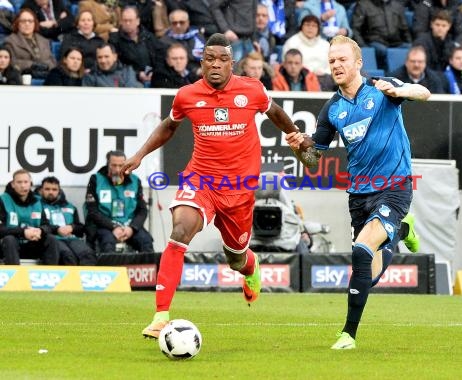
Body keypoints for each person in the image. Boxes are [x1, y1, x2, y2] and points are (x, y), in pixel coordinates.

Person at [120, 33, 312, 339]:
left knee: (236, 258)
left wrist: (299, 139)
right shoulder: (187, 95)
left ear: (231, 63)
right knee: (180, 230)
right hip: (201, 179)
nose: (216, 64)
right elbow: (169, 126)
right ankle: (160, 316)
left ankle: (251, 268)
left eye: (222, 59)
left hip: (239, 189)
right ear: (201, 62)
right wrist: (140, 154)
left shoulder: (251, 90)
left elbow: (276, 113)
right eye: (210, 58)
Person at [285, 35, 427, 349]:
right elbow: (313, 160)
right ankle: (402, 231)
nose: (336, 65)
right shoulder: (332, 110)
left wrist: (400, 90)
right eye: (332, 61)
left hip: (394, 187)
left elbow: (424, 92)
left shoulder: (381, 88)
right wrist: (299, 150)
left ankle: (348, 334)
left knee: (361, 250)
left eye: (342, 60)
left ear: (358, 62)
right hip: (359, 196)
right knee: (370, 273)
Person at [85, 150, 154, 254]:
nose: (117, 169)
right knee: (107, 243)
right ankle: (111, 270)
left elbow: (142, 210)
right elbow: (92, 211)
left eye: (121, 165)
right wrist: (113, 227)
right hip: (105, 226)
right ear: (108, 164)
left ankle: (147, 270)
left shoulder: (135, 181)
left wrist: (132, 228)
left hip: (129, 226)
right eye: (114, 165)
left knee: (146, 241)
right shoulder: (96, 179)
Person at [0, 169, 59, 265]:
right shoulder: (3, 200)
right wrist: (23, 232)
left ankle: (50, 276)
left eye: (26, 182)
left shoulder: (38, 201)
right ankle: (14, 277)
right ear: (12, 184)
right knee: (9, 239)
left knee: (51, 239)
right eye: (19, 182)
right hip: (10, 247)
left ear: (30, 184)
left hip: (33, 244)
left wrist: (40, 230)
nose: (23, 185)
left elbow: (47, 226)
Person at [38, 176, 97, 265]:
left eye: (54, 189)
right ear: (41, 190)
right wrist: (57, 229)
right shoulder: (37, 206)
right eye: (47, 189)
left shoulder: (70, 207)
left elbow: (80, 228)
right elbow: (40, 226)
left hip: (71, 238)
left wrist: (72, 227)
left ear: (59, 191)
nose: (51, 192)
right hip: (53, 240)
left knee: (88, 254)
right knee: (68, 256)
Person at [108, 6, 165, 85]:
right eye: (125, 20)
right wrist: (137, 74)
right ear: (121, 21)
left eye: (130, 20)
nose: (128, 23)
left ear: (138, 21)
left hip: (152, 77)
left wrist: (154, 73)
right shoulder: (114, 40)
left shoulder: (149, 37)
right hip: (128, 80)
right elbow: (117, 64)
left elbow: (160, 56)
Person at [350, 0, 412, 71]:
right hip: (375, 42)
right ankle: (387, 76)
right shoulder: (363, 5)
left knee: (411, 49)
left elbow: (405, 29)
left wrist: (410, 43)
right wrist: (364, 47)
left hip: (396, 42)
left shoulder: (397, 5)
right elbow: (355, 29)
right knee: (382, 51)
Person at [4, 8, 57, 79]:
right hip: (22, 78)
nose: (27, 24)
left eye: (30, 21)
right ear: (17, 23)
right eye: (23, 21)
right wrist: (32, 65)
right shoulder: (10, 41)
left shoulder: (44, 41)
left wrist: (45, 66)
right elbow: (11, 62)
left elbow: (52, 62)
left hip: (46, 77)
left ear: (35, 23)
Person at [159, 9, 205, 81]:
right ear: (170, 24)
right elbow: (174, 63)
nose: (178, 25)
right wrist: (196, 70)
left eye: (182, 22)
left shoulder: (198, 37)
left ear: (188, 23)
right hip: (179, 77)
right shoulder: (164, 41)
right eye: (174, 23)